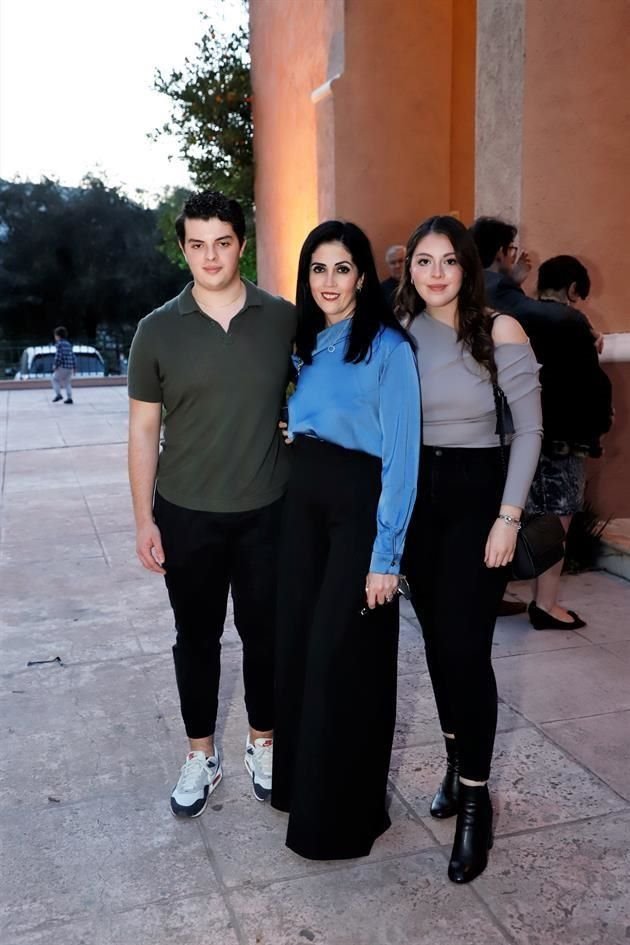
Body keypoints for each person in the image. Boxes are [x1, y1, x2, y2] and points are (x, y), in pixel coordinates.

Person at [127, 191, 296, 818]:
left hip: (267, 509)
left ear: (241, 245)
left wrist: (297, 426)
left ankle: (264, 743)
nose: (210, 256)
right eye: (196, 244)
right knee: (195, 638)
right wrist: (144, 516)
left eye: (221, 242)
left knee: (265, 635)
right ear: (183, 249)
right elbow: (143, 430)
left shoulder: (281, 318)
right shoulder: (156, 330)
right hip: (186, 510)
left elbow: (325, 384)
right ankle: (201, 753)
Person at [398, 215, 542, 883]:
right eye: (422, 261)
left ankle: (476, 803)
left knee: (466, 649)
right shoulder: (400, 333)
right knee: (434, 642)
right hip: (418, 500)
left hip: (479, 495)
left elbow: (531, 431)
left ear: (467, 266)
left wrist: (508, 517)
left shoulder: (500, 329)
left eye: (446, 261)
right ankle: (456, 761)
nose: (434, 273)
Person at [272, 220, 421, 860]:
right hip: (299, 505)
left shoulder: (389, 348)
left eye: (341, 268)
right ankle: (300, 793)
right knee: (301, 652)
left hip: (357, 511)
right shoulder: (304, 345)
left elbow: (403, 455)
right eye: (317, 269)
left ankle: (339, 819)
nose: (329, 282)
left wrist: (386, 554)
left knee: (342, 657)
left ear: (363, 274)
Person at [526, 255, 613, 630]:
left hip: (525, 434)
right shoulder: (570, 322)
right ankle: (545, 605)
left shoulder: (521, 316)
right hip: (564, 437)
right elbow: (590, 385)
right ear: (574, 289)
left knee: (526, 517)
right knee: (557, 520)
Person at [51, 326, 76, 404]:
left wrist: (55, 365)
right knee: (67, 382)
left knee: (54, 379)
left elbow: (58, 356)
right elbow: (73, 355)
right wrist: (74, 366)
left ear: (58, 336)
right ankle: (69, 398)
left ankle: (58, 394)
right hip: (70, 367)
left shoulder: (59, 344)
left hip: (62, 366)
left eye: (55, 336)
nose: (55, 337)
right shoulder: (68, 344)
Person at [380, 244, 405, 308]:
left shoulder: (419, 282)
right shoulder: (381, 290)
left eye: (401, 261)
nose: (397, 266)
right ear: (388, 266)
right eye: (393, 263)